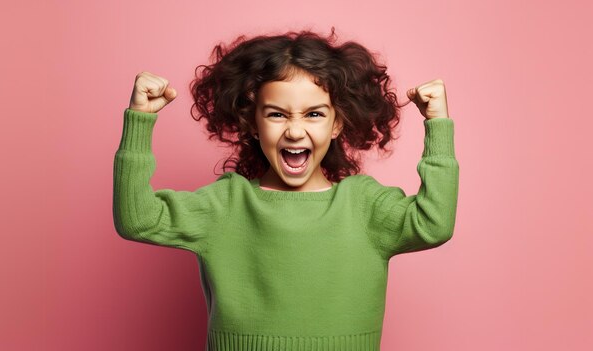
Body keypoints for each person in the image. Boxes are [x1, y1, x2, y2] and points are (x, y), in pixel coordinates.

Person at [113, 27, 459, 351]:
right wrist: (140, 119)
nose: (295, 131)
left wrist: (438, 125)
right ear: (252, 122)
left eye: (314, 115)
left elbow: (433, 224)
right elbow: (138, 220)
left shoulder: (363, 205)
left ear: (337, 123)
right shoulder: (227, 203)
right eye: (277, 114)